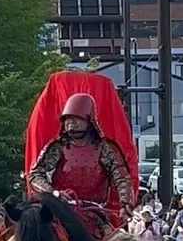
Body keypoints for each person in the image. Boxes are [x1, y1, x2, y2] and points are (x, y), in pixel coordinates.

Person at [27, 93, 135, 224]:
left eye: (76, 118)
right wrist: (53, 192)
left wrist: (126, 203)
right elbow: (35, 175)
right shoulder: (57, 147)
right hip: (60, 208)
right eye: (67, 119)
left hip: (94, 213)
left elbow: (122, 178)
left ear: (89, 120)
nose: (71, 123)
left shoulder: (106, 148)